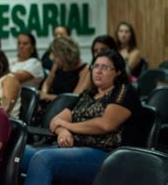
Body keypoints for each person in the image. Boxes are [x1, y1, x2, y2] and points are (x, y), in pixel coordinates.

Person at [21, 49, 141, 185]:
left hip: (106, 155)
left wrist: (68, 126)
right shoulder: (88, 94)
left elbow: (105, 124)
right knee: (20, 152)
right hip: (72, 148)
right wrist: (63, 132)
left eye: (105, 67)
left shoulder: (123, 92)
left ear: (118, 72)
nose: (98, 71)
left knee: (43, 159)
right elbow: (56, 120)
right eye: (96, 66)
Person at [40, 37, 87, 103]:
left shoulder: (85, 70)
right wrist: (44, 93)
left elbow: (75, 97)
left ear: (65, 55)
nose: (52, 58)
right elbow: (47, 84)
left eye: (56, 56)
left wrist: (48, 97)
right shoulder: (57, 65)